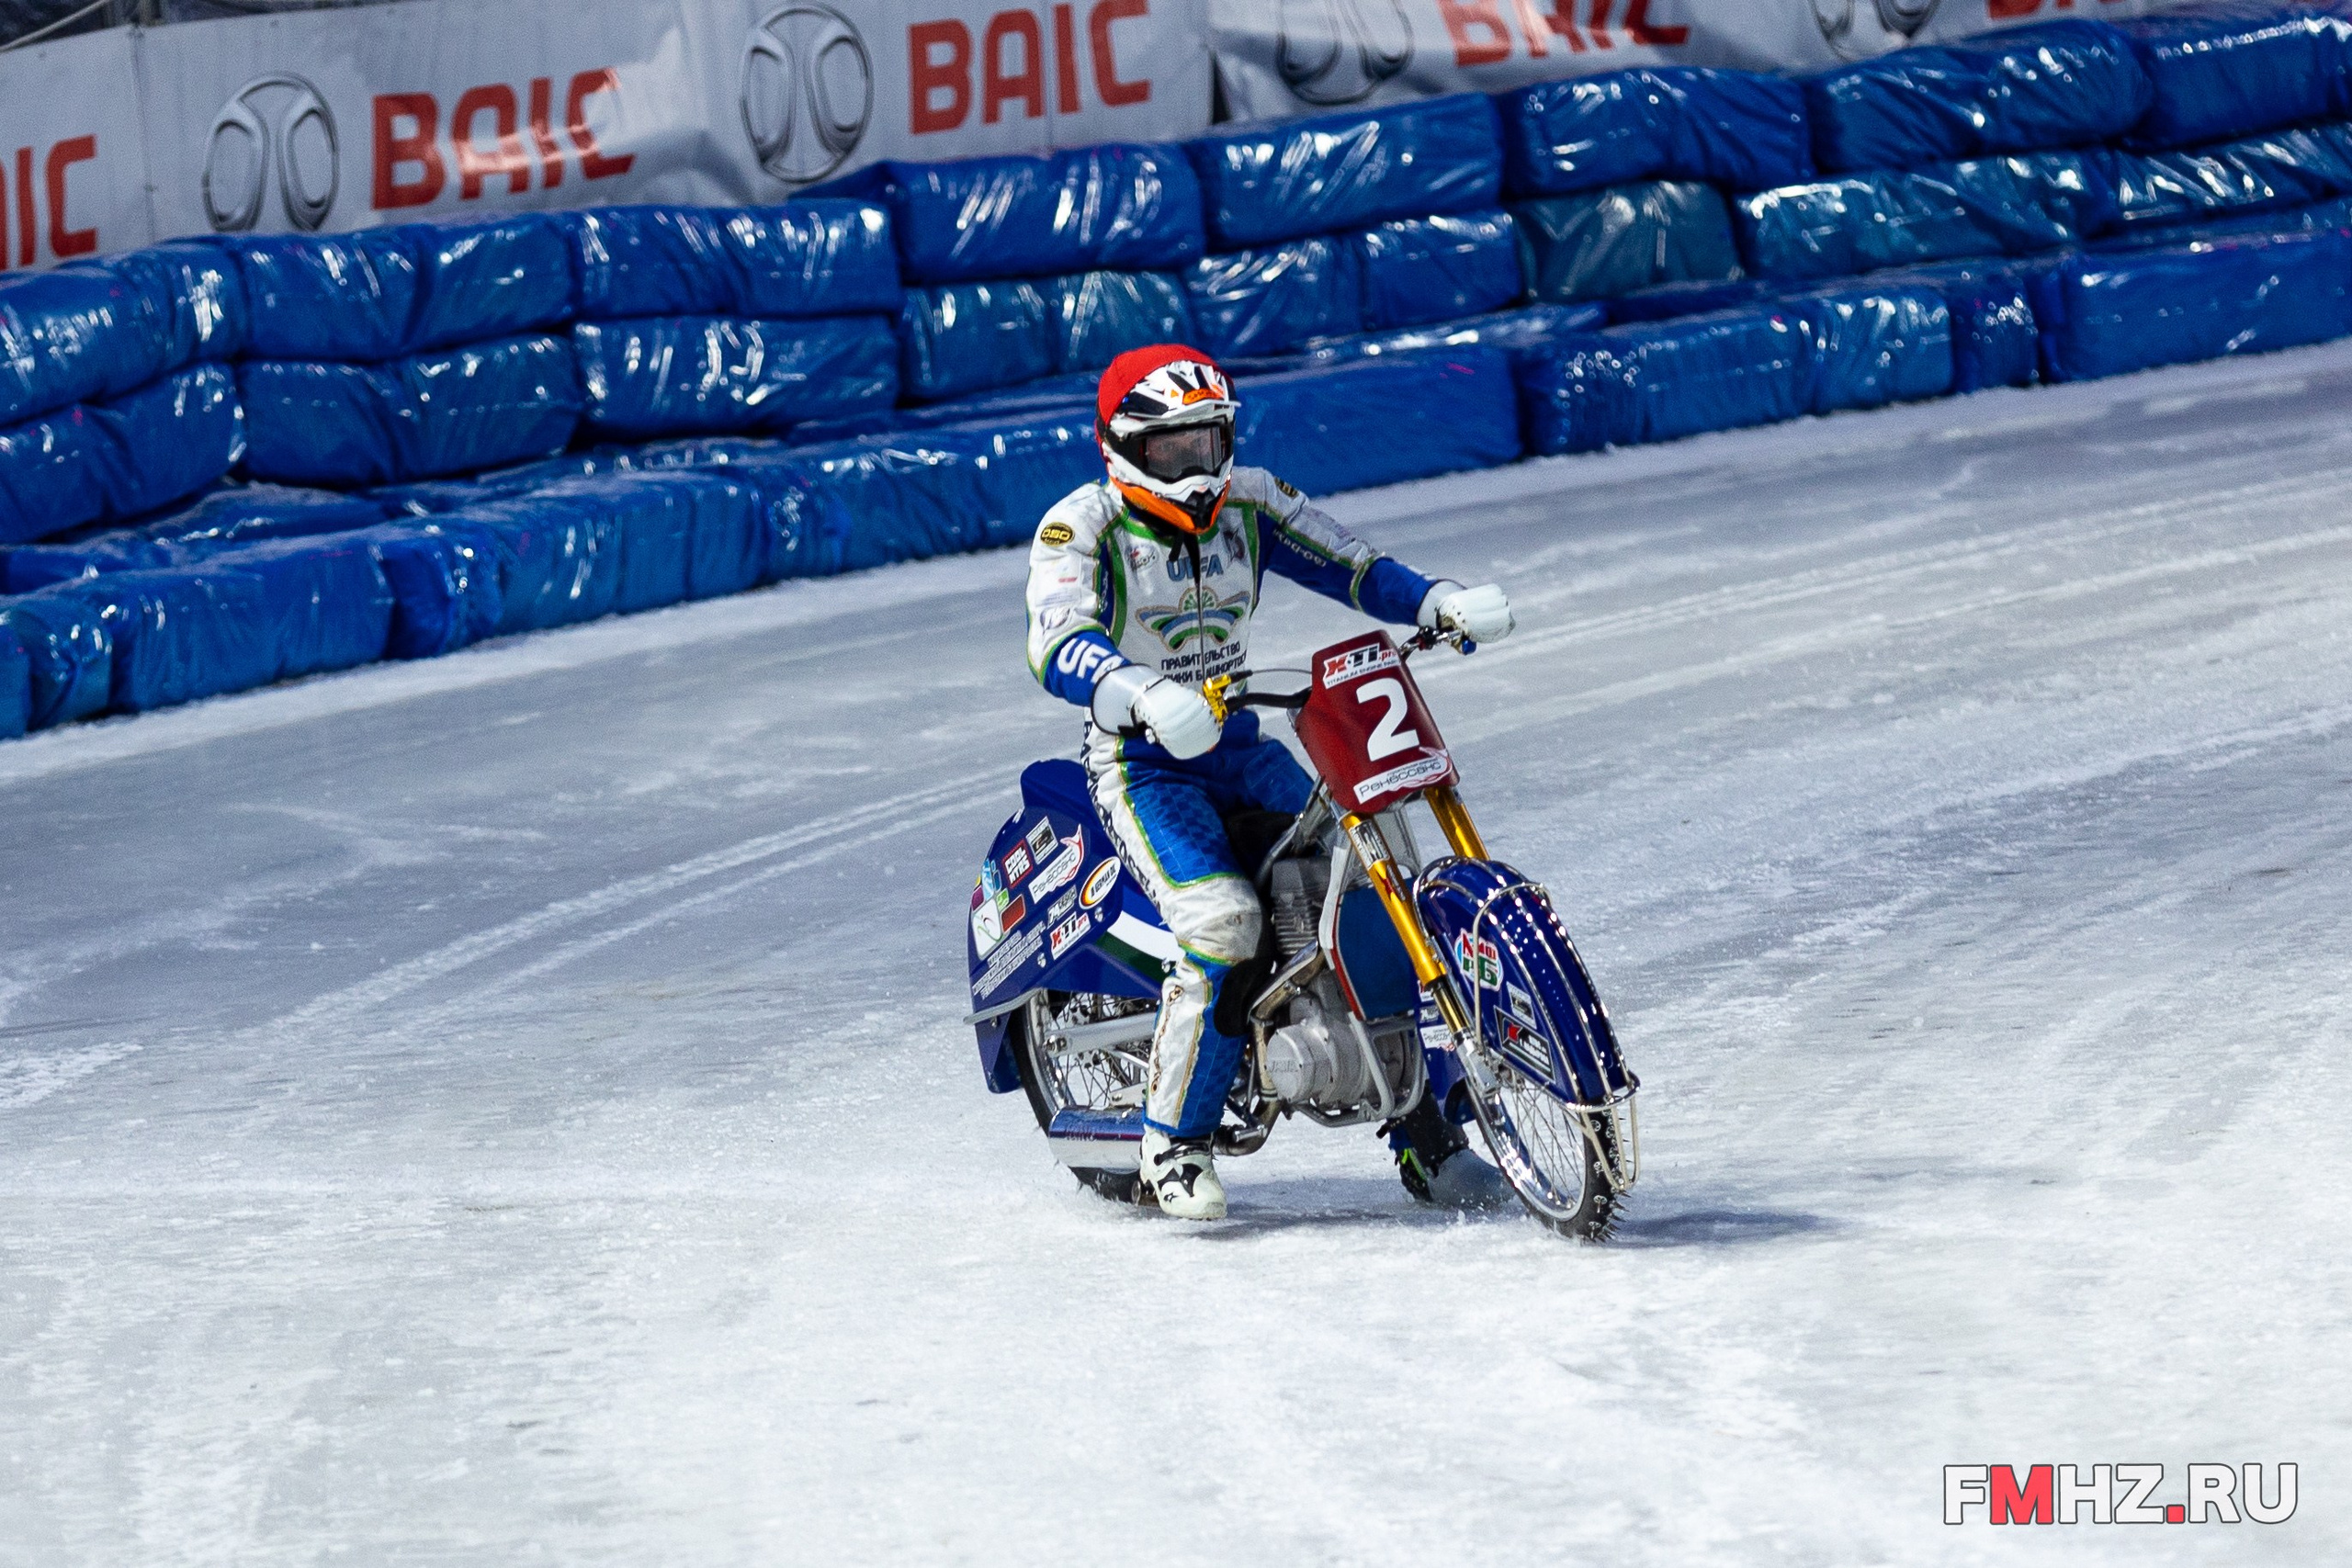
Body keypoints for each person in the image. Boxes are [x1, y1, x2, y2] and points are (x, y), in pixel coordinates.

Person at [1025, 344, 1518, 1220]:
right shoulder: (1083, 526)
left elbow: (1350, 562)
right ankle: (1173, 1143)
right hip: (1141, 763)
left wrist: (1433, 599)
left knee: (1364, 885)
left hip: (1239, 743)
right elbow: (1056, 638)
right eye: (1172, 448)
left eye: (1208, 441)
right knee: (1223, 923)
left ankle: (1422, 1135)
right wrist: (1136, 691)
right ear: (1121, 448)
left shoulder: (1250, 501)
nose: (1196, 466)